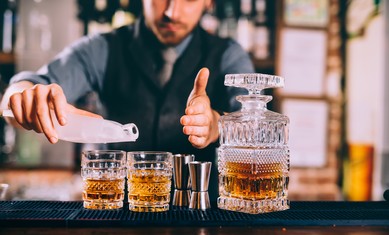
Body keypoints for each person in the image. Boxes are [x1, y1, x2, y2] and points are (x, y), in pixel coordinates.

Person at [0, 0, 254, 203]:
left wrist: (216, 124)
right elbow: (23, 89)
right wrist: (22, 98)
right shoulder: (102, 48)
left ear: (208, 2)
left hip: (200, 217)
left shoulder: (228, 55)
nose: (171, 12)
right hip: (112, 215)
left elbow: (252, 128)